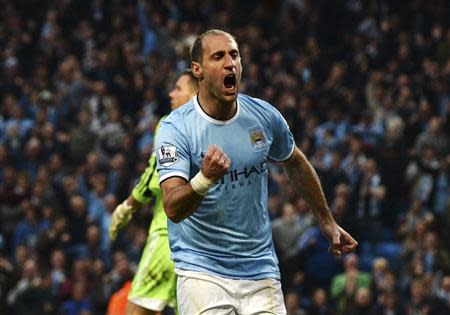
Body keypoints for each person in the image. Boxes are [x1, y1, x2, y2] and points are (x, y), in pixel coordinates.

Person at [155, 29, 358, 314]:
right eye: (218, 56)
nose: (230, 63)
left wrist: (326, 221)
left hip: (260, 270)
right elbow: (173, 207)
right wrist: (204, 178)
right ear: (197, 70)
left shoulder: (263, 116)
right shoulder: (176, 129)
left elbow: (295, 161)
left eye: (234, 55)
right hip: (202, 272)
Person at [108, 69, 198, 315]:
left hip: (167, 236)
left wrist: (127, 206)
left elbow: (154, 175)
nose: (172, 93)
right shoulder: (216, 130)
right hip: (199, 249)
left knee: (137, 309)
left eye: (178, 88)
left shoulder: (170, 124)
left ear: (195, 94)